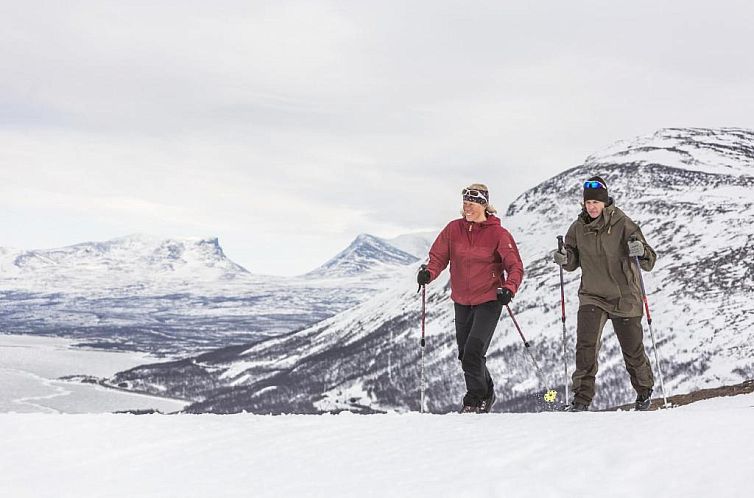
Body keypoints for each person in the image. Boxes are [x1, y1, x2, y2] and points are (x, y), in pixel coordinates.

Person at [552, 176, 657, 411]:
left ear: (605, 202)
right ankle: (581, 400)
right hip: (592, 295)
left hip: (624, 296)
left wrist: (641, 251)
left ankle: (644, 392)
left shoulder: (623, 223)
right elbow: (571, 260)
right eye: (587, 202)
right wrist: (564, 258)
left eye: (595, 203)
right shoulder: (578, 227)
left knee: (632, 349)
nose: (591, 207)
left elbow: (649, 260)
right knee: (586, 347)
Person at [417, 183, 524, 413]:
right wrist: (429, 272)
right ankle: (485, 393)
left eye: (472, 203)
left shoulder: (498, 234)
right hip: (462, 301)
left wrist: (509, 288)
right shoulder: (453, 229)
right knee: (465, 354)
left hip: (489, 300)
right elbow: (438, 257)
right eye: (465, 203)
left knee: (474, 351)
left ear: (484, 205)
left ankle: (475, 398)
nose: (467, 208)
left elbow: (515, 266)